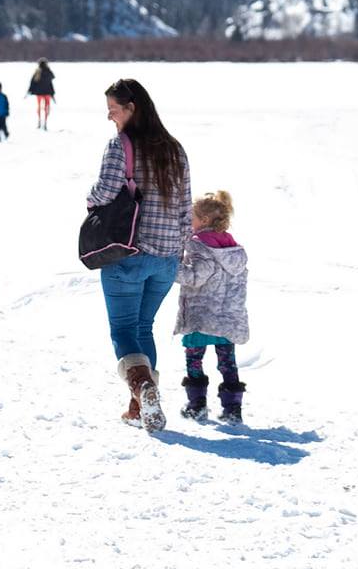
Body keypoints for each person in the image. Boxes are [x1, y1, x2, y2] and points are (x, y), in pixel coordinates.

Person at [87, 78, 192, 433]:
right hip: (166, 260)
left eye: (114, 110)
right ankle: (139, 407)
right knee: (143, 327)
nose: (110, 118)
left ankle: (142, 388)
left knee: (123, 330)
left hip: (128, 253)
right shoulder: (175, 149)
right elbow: (185, 206)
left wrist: (90, 200)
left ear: (132, 108)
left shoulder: (121, 146)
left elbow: (104, 191)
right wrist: (177, 251)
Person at [174, 190, 249, 424]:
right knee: (227, 361)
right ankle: (233, 409)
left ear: (204, 220)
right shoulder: (232, 247)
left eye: (192, 217)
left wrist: (171, 268)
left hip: (202, 316)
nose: (189, 221)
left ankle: (196, 405)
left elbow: (196, 276)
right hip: (228, 319)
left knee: (194, 358)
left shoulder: (200, 245)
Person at [28, 60, 56, 130]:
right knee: (47, 107)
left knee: (39, 107)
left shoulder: (37, 72)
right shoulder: (48, 72)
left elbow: (32, 82)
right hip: (47, 92)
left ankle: (40, 120)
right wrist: (52, 93)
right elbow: (51, 81)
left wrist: (30, 90)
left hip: (39, 93)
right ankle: (45, 121)